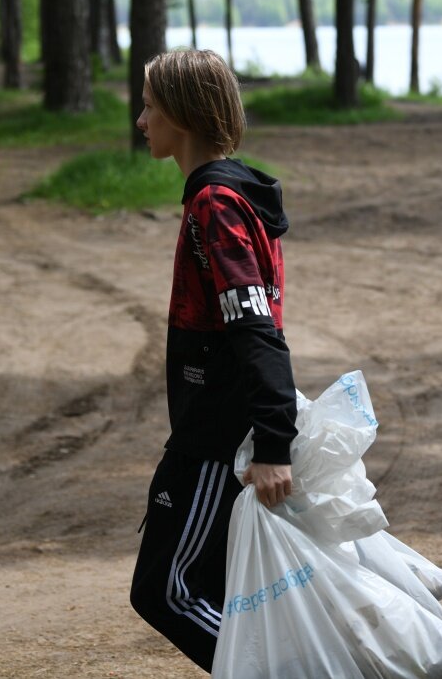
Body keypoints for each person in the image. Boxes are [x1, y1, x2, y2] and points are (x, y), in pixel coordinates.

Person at [128, 49, 298, 672]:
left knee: (165, 590)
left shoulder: (216, 205)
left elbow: (256, 329)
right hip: (217, 424)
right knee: (226, 589)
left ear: (180, 112)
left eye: (149, 107)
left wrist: (275, 442)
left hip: (216, 435)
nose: (141, 120)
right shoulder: (222, 194)